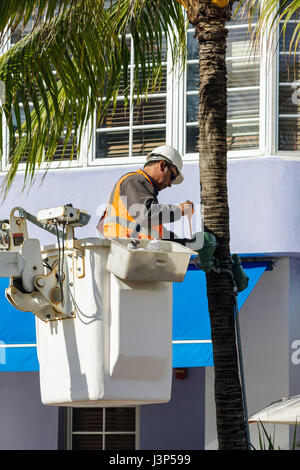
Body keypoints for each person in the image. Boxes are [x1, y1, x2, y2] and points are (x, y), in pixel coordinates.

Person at [97, 145, 195, 243]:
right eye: (172, 177)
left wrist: (184, 243)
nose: (170, 184)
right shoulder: (134, 181)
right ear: (162, 165)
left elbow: (156, 233)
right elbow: (145, 214)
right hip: (124, 250)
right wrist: (178, 210)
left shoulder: (144, 189)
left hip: (132, 250)